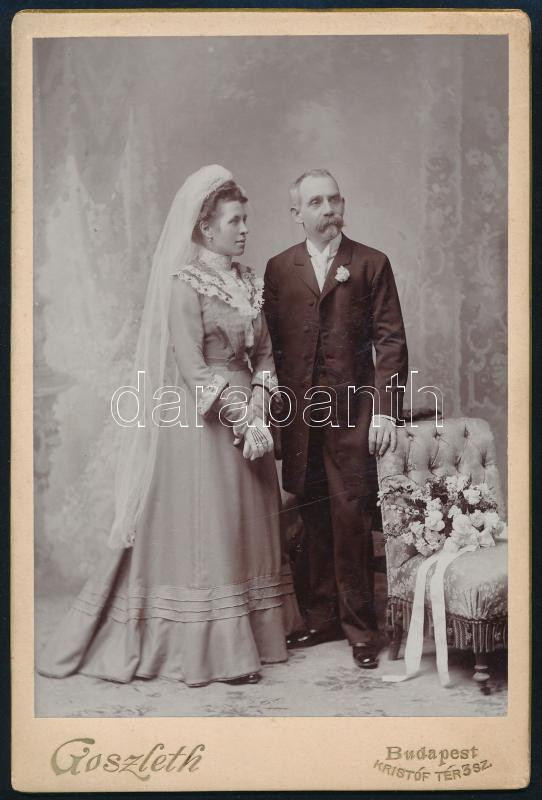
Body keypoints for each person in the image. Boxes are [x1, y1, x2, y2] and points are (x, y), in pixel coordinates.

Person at [39, 164, 301, 687]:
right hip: (204, 423)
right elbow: (192, 367)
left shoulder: (248, 281)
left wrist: (259, 403)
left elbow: (265, 354)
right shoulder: (185, 285)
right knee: (213, 528)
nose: (244, 229)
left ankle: (258, 635)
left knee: (249, 525)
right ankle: (217, 651)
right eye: (234, 220)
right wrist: (240, 417)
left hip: (249, 417)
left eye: (246, 220)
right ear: (205, 227)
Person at [264, 169, 408, 669]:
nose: (328, 209)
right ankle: (321, 617)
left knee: (351, 518)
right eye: (316, 202)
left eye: (334, 199)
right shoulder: (279, 268)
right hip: (300, 418)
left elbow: (391, 344)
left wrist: (384, 413)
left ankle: (361, 630)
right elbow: (270, 347)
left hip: (354, 417)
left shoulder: (371, 263)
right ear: (297, 213)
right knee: (311, 515)